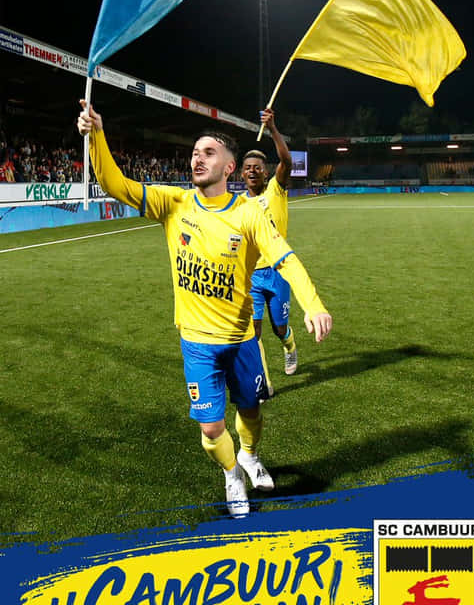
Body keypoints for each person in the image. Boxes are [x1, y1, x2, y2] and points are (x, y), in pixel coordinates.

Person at [77, 101, 332, 519]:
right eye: (195, 152)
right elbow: (113, 183)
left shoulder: (250, 213)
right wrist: (96, 135)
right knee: (212, 428)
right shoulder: (173, 203)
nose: (197, 157)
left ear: (229, 168)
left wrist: (313, 304)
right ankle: (232, 474)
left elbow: (283, 256)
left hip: (241, 339)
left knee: (251, 410)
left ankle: (249, 455)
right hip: (196, 343)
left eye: (208, 152)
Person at [241, 109, 296, 399]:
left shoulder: (276, 189)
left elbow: (287, 161)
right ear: (241, 172)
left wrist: (273, 128)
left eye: (258, 167)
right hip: (252, 277)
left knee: (279, 327)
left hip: (279, 271)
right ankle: (263, 382)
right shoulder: (238, 204)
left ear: (265, 171)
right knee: (255, 332)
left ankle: (290, 346)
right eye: (248, 167)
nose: (253, 170)